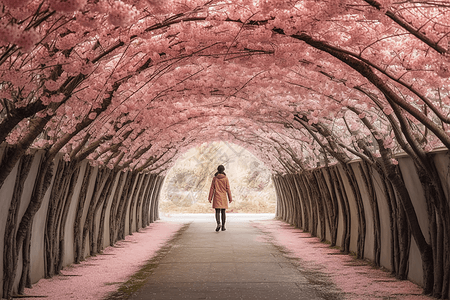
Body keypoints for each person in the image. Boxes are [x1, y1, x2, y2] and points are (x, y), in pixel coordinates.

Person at [208, 165, 233, 232]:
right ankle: (223, 226)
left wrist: (210, 198)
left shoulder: (215, 178)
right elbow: (228, 189)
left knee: (217, 211)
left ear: (217, 170)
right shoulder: (225, 179)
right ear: (223, 170)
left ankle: (218, 223)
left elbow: (212, 188)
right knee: (223, 212)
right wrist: (230, 198)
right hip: (223, 197)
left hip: (216, 196)